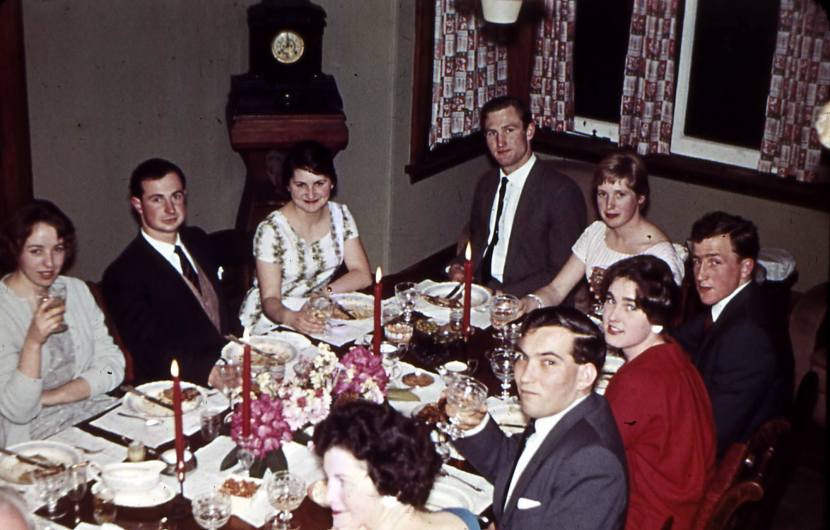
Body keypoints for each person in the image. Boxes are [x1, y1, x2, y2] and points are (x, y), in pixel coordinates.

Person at [451, 307, 628, 530]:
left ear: (585, 376)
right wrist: (475, 424)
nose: (525, 376)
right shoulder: (563, 410)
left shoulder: (593, 463)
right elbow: (518, 468)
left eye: (548, 362)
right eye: (523, 358)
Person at [600, 255, 715, 530]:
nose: (613, 315)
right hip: (679, 508)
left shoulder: (639, 380)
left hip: (646, 517)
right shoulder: (673, 354)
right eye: (610, 300)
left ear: (656, 318)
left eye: (631, 306)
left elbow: (590, 452)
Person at [0, 200, 124, 444]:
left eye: (57, 249)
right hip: (34, 436)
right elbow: (19, 411)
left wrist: (52, 396)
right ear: (15, 249)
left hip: (93, 414)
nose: (50, 263)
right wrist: (33, 342)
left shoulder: (76, 290)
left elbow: (114, 367)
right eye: (36, 251)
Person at [102, 158, 232, 386]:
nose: (170, 209)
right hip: (179, 386)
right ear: (138, 204)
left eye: (176, 196)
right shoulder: (123, 273)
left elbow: (218, 313)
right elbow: (148, 350)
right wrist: (208, 373)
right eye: (157, 199)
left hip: (229, 366)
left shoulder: (197, 240)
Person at [671, 212, 790, 456]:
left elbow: (710, 435)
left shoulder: (747, 334)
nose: (700, 274)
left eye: (715, 262)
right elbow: (679, 337)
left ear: (746, 267)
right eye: (696, 261)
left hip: (722, 458)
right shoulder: (737, 302)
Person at [447, 96, 586, 298]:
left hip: (530, 302)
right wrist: (458, 266)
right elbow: (478, 242)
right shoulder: (486, 183)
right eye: (492, 133)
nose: (500, 142)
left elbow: (561, 271)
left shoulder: (561, 192)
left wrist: (500, 294)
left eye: (509, 130)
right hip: (480, 293)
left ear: (529, 131)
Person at [521, 152, 683, 313]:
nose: (609, 205)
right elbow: (556, 290)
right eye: (603, 194)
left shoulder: (659, 255)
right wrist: (526, 304)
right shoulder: (596, 233)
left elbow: (662, 320)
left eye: (620, 195)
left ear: (640, 198)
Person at [238, 141, 372, 335]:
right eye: (301, 184)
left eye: (319, 183)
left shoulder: (341, 215)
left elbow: (362, 274)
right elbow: (270, 300)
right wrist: (292, 318)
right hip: (275, 321)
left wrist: (323, 294)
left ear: (332, 182)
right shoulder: (271, 230)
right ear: (288, 186)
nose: (311, 193)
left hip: (318, 312)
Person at [312, 400, 478, 530]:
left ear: (392, 489)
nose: (329, 497)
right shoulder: (463, 518)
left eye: (343, 482)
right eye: (329, 479)